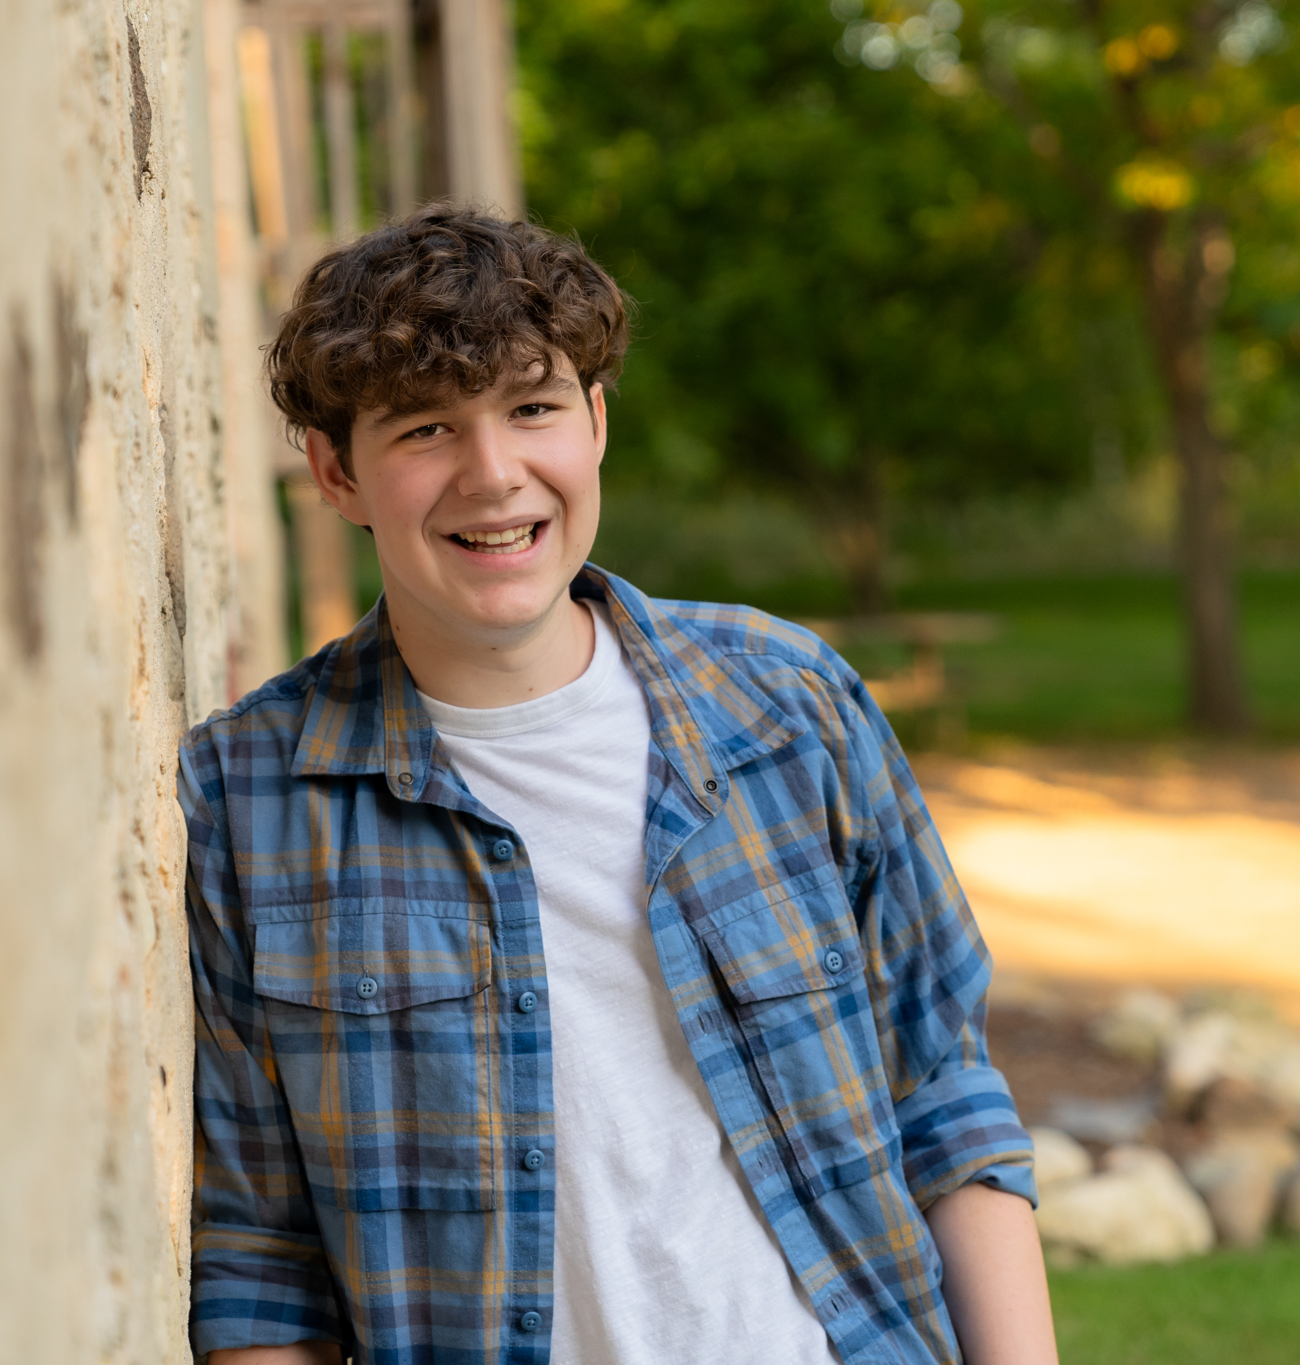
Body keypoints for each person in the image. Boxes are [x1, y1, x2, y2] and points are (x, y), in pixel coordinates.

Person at [181, 204, 1056, 1365]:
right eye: (425, 430)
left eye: (531, 408)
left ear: (594, 424)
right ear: (337, 471)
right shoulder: (245, 801)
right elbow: (257, 1259)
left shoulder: (787, 707)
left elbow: (943, 1099)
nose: (493, 477)